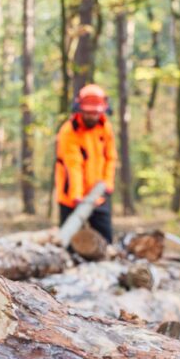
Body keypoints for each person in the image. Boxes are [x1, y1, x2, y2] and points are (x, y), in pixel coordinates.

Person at [54, 83, 117, 243]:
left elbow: (111, 157)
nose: (92, 117)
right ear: (80, 109)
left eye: (95, 113)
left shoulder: (105, 128)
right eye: (88, 113)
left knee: (105, 241)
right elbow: (72, 164)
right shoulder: (69, 131)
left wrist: (107, 182)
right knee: (68, 243)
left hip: (98, 195)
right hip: (71, 197)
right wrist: (76, 194)